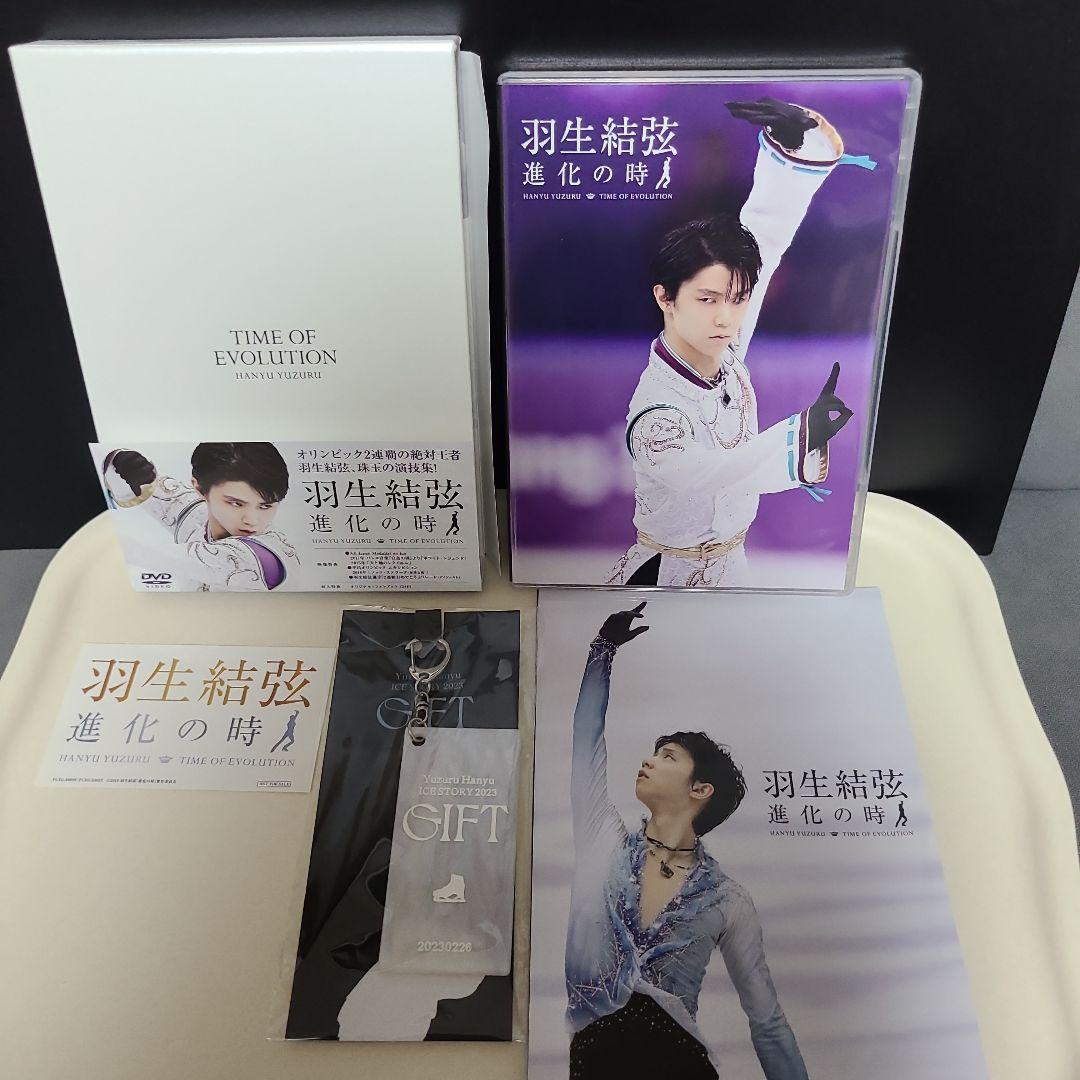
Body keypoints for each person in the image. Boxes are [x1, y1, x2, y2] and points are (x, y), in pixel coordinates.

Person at [608, 98, 871, 588]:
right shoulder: (657, 408)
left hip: (734, 564)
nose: (727, 318)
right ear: (665, 297)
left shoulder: (723, 349)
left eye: (738, 299)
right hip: (663, 576)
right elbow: (708, 474)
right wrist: (802, 434)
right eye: (708, 299)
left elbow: (764, 239)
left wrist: (797, 149)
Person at [567, 602, 807, 1079]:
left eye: (668, 756)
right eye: (654, 753)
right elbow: (585, 739)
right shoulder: (602, 840)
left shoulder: (728, 899)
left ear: (700, 790)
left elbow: (766, 1020)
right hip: (594, 1059)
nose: (649, 761)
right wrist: (603, 650)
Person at [102, 442, 299, 591]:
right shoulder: (194, 513)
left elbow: (146, 553)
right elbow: (143, 484)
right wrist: (122, 462)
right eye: (236, 503)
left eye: (265, 506)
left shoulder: (267, 557)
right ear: (199, 489)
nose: (252, 520)